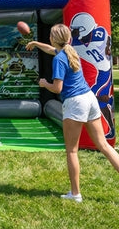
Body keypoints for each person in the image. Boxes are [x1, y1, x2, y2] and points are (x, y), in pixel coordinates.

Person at [26, 23, 119, 202]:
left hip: (75, 103)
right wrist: (37, 43)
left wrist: (44, 84)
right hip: (89, 99)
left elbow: (57, 88)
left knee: (72, 151)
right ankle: (75, 193)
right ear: (68, 39)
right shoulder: (70, 51)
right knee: (105, 146)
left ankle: (75, 194)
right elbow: (52, 49)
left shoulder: (59, 59)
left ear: (54, 39)